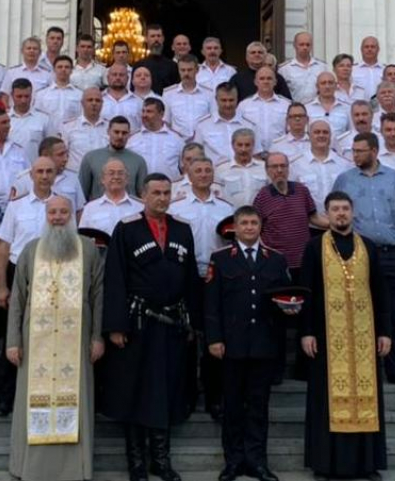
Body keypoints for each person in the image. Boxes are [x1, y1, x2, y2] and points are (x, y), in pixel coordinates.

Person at [101, 173, 200, 481]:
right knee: (135, 391)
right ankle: (136, 464)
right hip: (137, 323)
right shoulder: (127, 229)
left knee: (166, 390)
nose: (162, 198)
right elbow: (115, 278)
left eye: (167, 192)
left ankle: (161, 460)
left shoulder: (183, 229)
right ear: (143, 195)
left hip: (172, 325)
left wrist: (194, 322)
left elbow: (191, 278)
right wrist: (115, 326)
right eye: (156, 192)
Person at [6, 195, 105, 481]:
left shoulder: (88, 250)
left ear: (72, 216)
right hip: (35, 343)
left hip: (76, 345)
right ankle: (29, 468)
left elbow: (98, 296)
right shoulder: (31, 250)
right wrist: (13, 341)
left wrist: (97, 337)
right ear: (46, 215)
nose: (58, 217)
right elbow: (17, 299)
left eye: (64, 212)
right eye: (53, 212)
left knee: (77, 403)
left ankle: (77, 468)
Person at [297, 191, 390, 481]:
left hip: (364, 336)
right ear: (327, 214)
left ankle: (367, 463)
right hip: (326, 337)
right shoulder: (314, 248)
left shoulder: (369, 247)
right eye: (335, 209)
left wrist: (384, 332)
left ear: (352, 212)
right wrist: (306, 332)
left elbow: (380, 292)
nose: (341, 214)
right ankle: (326, 464)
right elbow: (306, 292)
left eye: (345, 209)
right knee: (326, 399)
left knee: (367, 396)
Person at [206, 206, 292, 481]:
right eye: (244, 223)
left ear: (260, 226)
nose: (249, 227)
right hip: (231, 345)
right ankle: (233, 462)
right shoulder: (220, 259)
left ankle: (256, 462)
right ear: (235, 227)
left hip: (264, 344)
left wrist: (290, 310)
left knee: (258, 406)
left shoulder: (276, 260)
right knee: (232, 406)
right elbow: (212, 304)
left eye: (254, 222)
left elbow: (284, 301)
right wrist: (215, 338)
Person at [332, 132, 395, 391]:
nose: (355, 155)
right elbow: (337, 216)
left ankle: (393, 369)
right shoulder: (344, 179)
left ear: (373, 151)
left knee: (390, 312)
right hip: (358, 254)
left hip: (392, 253)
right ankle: (359, 369)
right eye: (353, 151)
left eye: (360, 151)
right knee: (357, 312)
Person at [170, 157, 234, 420]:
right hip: (188, 276)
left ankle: (214, 397)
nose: (204, 174)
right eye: (198, 170)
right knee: (186, 337)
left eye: (208, 170)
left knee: (214, 337)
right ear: (188, 173)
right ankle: (186, 396)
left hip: (217, 277)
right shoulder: (178, 208)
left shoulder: (225, 207)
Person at [0, 156, 57, 418]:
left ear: (55, 175)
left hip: (52, 275)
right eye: (40, 171)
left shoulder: (60, 206)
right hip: (18, 272)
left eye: (49, 172)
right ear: (31, 175)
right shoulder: (17, 206)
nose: (44, 176)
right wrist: (1, 285)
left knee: (46, 339)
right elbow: (4, 245)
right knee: (13, 337)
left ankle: (40, 394)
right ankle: (5, 398)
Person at [254, 152, 328, 276]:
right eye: (274, 166)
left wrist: (337, 224)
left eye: (283, 166)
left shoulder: (301, 190)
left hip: (304, 261)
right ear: (267, 170)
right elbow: (256, 229)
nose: (279, 170)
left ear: (288, 168)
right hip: (277, 264)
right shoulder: (262, 196)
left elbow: (314, 218)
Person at [11, 137, 86, 223]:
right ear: (45, 156)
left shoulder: (73, 178)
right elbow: (15, 210)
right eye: (60, 155)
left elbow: (79, 211)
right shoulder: (23, 180)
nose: (65, 159)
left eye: (66, 154)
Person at [78, 116, 147, 200]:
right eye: (116, 132)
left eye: (124, 133)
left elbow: (143, 196)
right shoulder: (90, 158)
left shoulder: (138, 161)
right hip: (99, 210)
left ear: (129, 134)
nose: (120, 136)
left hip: (129, 210)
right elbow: (81, 195)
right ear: (108, 132)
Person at [290, 119, 350, 216]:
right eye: (317, 132)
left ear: (330, 136)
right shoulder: (296, 164)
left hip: (339, 223)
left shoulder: (344, 164)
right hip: (309, 225)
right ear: (309, 136)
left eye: (325, 132)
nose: (321, 135)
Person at [194, 83, 260, 165]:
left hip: (242, 173)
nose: (227, 104)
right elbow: (196, 155)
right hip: (215, 174)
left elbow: (256, 154)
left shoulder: (250, 125)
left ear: (237, 99)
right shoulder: (202, 125)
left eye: (231, 100)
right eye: (224, 100)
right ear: (216, 100)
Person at [79, 159, 145, 236]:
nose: (116, 177)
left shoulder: (140, 208)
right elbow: (83, 238)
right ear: (102, 179)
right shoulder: (90, 208)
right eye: (111, 173)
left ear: (127, 179)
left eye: (120, 173)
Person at [236, 66, 291, 152]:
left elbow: (290, 131)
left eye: (269, 78)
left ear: (275, 82)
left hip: (279, 154)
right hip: (252, 155)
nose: (266, 81)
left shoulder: (286, 105)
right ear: (255, 82)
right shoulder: (244, 105)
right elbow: (238, 131)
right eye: (262, 79)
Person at [127, 97, 185, 179]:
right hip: (142, 189)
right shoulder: (132, 139)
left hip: (169, 188)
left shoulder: (177, 139)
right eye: (143, 111)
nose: (144, 115)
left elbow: (185, 168)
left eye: (149, 112)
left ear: (161, 114)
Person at [163, 54, 214, 140]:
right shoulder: (168, 94)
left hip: (202, 142)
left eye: (190, 70)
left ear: (197, 70)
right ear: (178, 71)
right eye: (183, 70)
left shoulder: (209, 93)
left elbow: (213, 119)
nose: (186, 73)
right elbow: (165, 121)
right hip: (177, 142)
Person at [61, 86, 110, 173]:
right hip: (76, 178)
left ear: (102, 104)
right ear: (82, 103)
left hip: (103, 178)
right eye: (90, 100)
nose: (94, 103)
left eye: (97, 100)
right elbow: (62, 155)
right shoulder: (68, 128)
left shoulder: (110, 128)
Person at [215, 129, 268, 207]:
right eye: (240, 145)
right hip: (231, 216)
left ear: (253, 145)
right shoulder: (221, 170)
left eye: (247, 145)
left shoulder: (265, 167)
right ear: (233, 145)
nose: (243, 149)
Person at [34, 55, 83, 135]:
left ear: (72, 70)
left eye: (67, 67)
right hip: (48, 136)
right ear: (54, 70)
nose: (63, 69)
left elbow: (81, 117)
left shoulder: (80, 94)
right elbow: (37, 118)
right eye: (60, 67)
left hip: (72, 136)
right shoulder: (41, 94)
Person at [7, 78, 52, 163]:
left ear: (32, 95)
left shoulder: (44, 119)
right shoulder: (5, 118)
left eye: (26, 96)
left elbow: (51, 147)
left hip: (35, 170)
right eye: (19, 96)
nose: (23, 100)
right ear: (12, 95)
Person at [0, 37, 53, 108]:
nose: (31, 51)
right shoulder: (12, 72)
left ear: (40, 52)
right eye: (28, 48)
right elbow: (4, 96)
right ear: (22, 51)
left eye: (35, 49)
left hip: (40, 115)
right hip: (16, 116)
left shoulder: (47, 74)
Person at [279, 32, 326, 104]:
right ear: (294, 46)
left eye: (308, 45)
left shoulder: (322, 67)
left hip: (317, 109)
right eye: (301, 44)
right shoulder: (284, 69)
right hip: (294, 110)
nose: (305, 47)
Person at [138, 23, 180, 94]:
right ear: (146, 39)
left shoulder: (172, 66)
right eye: (152, 36)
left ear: (163, 39)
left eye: (158, 36)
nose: (156, 39)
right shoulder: (139, 66)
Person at [306, 71, 351, 136]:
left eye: (330, 83)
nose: (327, 86)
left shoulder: (347, 108)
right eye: (323, 83)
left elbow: (350, 133)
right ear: (317, 86)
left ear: (336, 85)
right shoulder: (307, 108)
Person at [102, 64, 143, 132]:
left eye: (121, 75)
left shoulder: (138, 102)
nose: (118, 78)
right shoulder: (98, 100)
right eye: (114, 74)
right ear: (108, 78)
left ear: (127, 78)